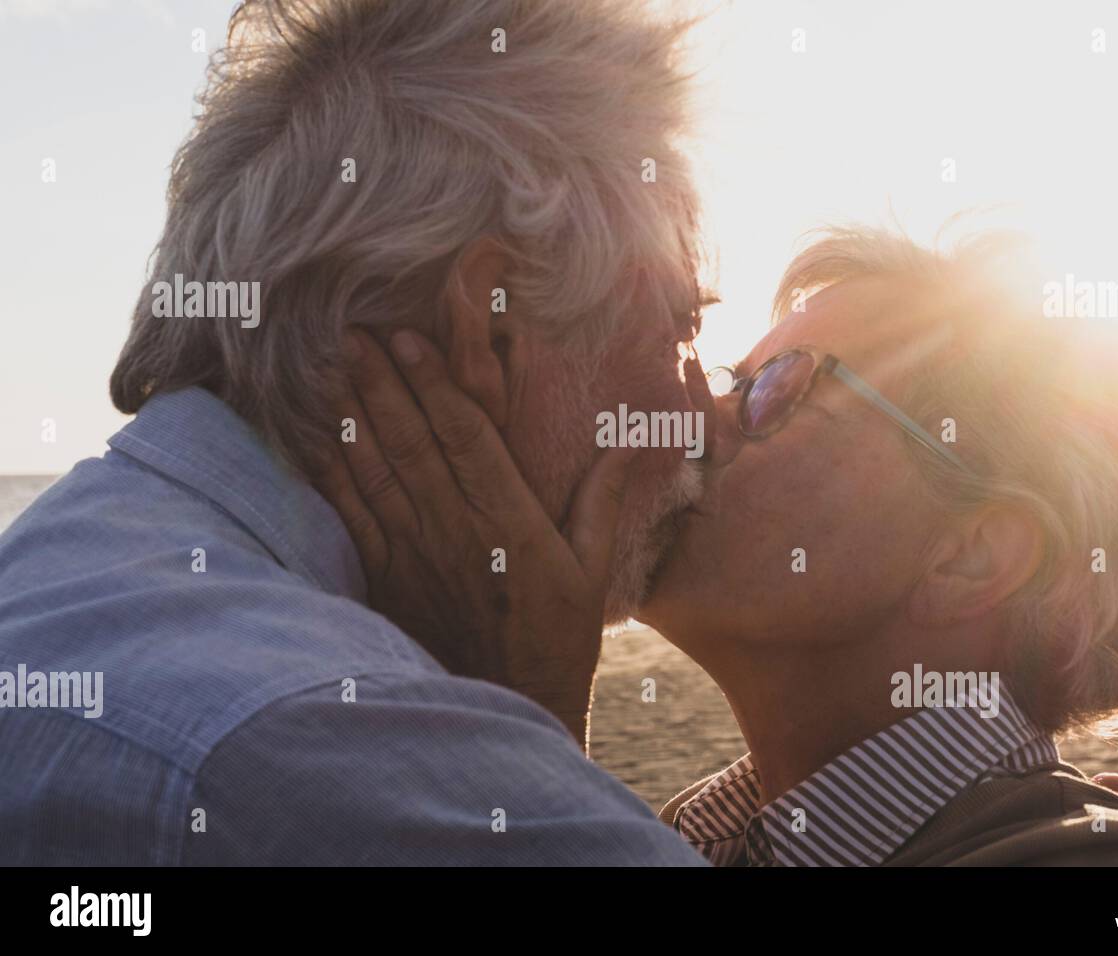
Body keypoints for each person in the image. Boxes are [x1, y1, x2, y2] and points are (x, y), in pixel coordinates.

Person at [322, 225, 1118, 865]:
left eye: (778, 385)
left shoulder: (1080, 861)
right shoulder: (709, 837)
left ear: (972, 553)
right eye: (726, 371)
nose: (695, 411)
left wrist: (522, 718)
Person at [0, 0, 713, 866]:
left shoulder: (56, 572)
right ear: (491, 324)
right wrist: (525, 725)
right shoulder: (355, 763)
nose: (699, 411)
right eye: (678, 330)